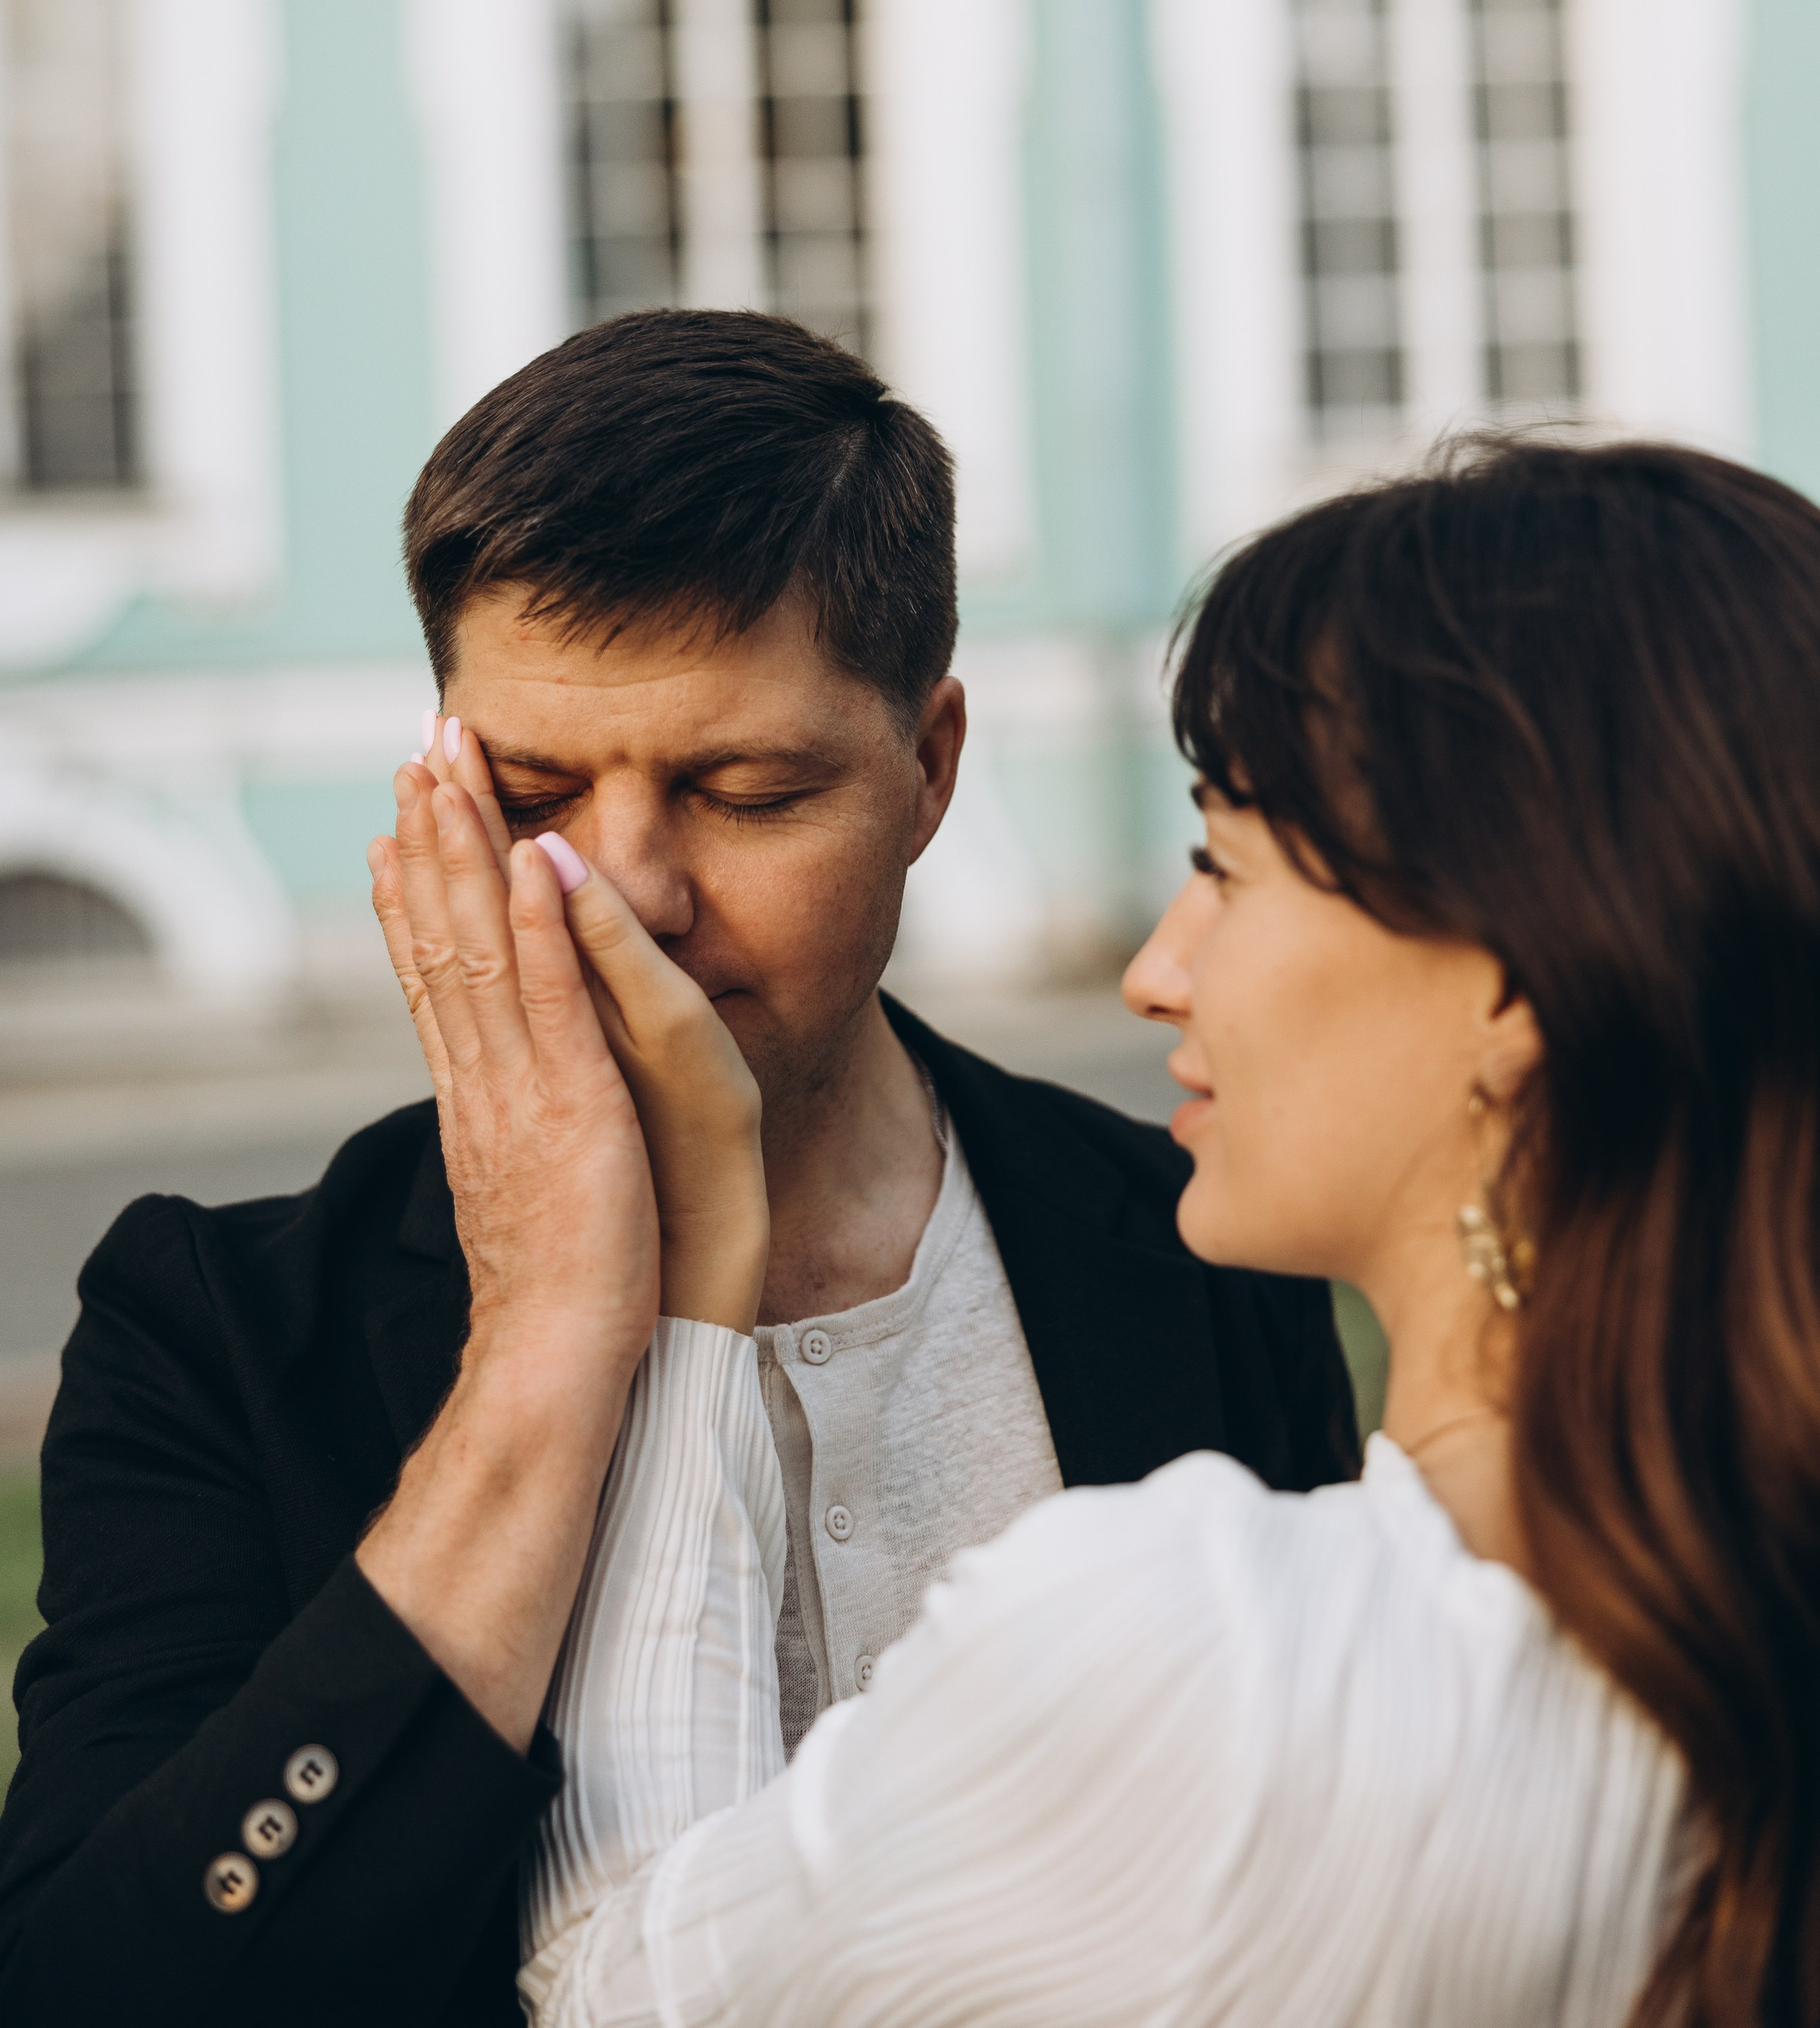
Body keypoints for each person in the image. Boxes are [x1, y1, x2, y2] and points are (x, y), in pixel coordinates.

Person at [0, 311, 1354, 2028]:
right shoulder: (218, 1326)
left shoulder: (1192, 1240)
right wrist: (540, 1349)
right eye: (532, 792)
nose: (631, 888)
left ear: (928, 771)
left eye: (748, 792)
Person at [416, 434, 1814, 2028]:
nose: (1157, 971)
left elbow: (621, 1986)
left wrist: (668, 1313)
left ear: (1511, 983)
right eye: (533, 796)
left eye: (1227, 866)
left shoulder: (1217, 1654)